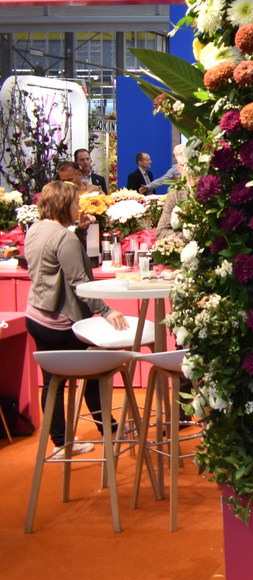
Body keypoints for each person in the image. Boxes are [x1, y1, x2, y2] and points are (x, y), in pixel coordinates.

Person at [24, 180, 129, 458]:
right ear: (64, 205)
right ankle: (111, 430)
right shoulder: (64, 238)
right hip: (61, 323)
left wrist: (78, 231)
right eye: (74, 203)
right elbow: (80, 283)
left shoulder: (36, 228)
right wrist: (107, 311)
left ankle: (61, 443)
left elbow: (56, 261)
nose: (78, 207)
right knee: (95, 374)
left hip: (36, 316)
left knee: (52, 383)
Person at [155, 145, 190, 243]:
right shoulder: (175, 194)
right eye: (188, 165)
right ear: (179, 169)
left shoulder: (213, 192)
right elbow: (161, 232)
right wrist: (188, 237)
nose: (194, 170)